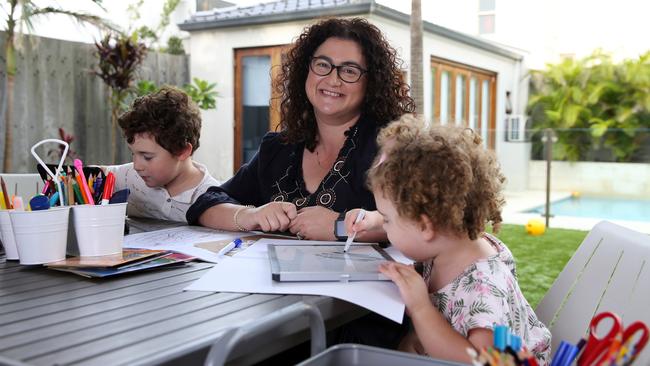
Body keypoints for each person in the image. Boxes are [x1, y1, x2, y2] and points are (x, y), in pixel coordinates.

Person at [186, 18, 414, 240]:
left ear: (371, 82)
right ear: (306, 70)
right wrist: (251, 215)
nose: (333, 80)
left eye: (350, 71)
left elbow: (419, 220)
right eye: (323, 65)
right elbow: (206, 204)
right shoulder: (278, 148)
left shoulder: (391, 147)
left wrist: (340, 226)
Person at [352, 117, 551, 364]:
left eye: (387, 219)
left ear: (425, 226)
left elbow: (482, 362)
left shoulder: (483, 284)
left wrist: (421, 309)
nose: (385, 227)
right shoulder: (448, 252)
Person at [106, 86, 220, 222]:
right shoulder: (129, 177)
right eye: (133, 154)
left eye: (147, 157)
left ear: (182, 151)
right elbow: (88, 176)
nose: (137, 166)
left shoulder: (212, 198)